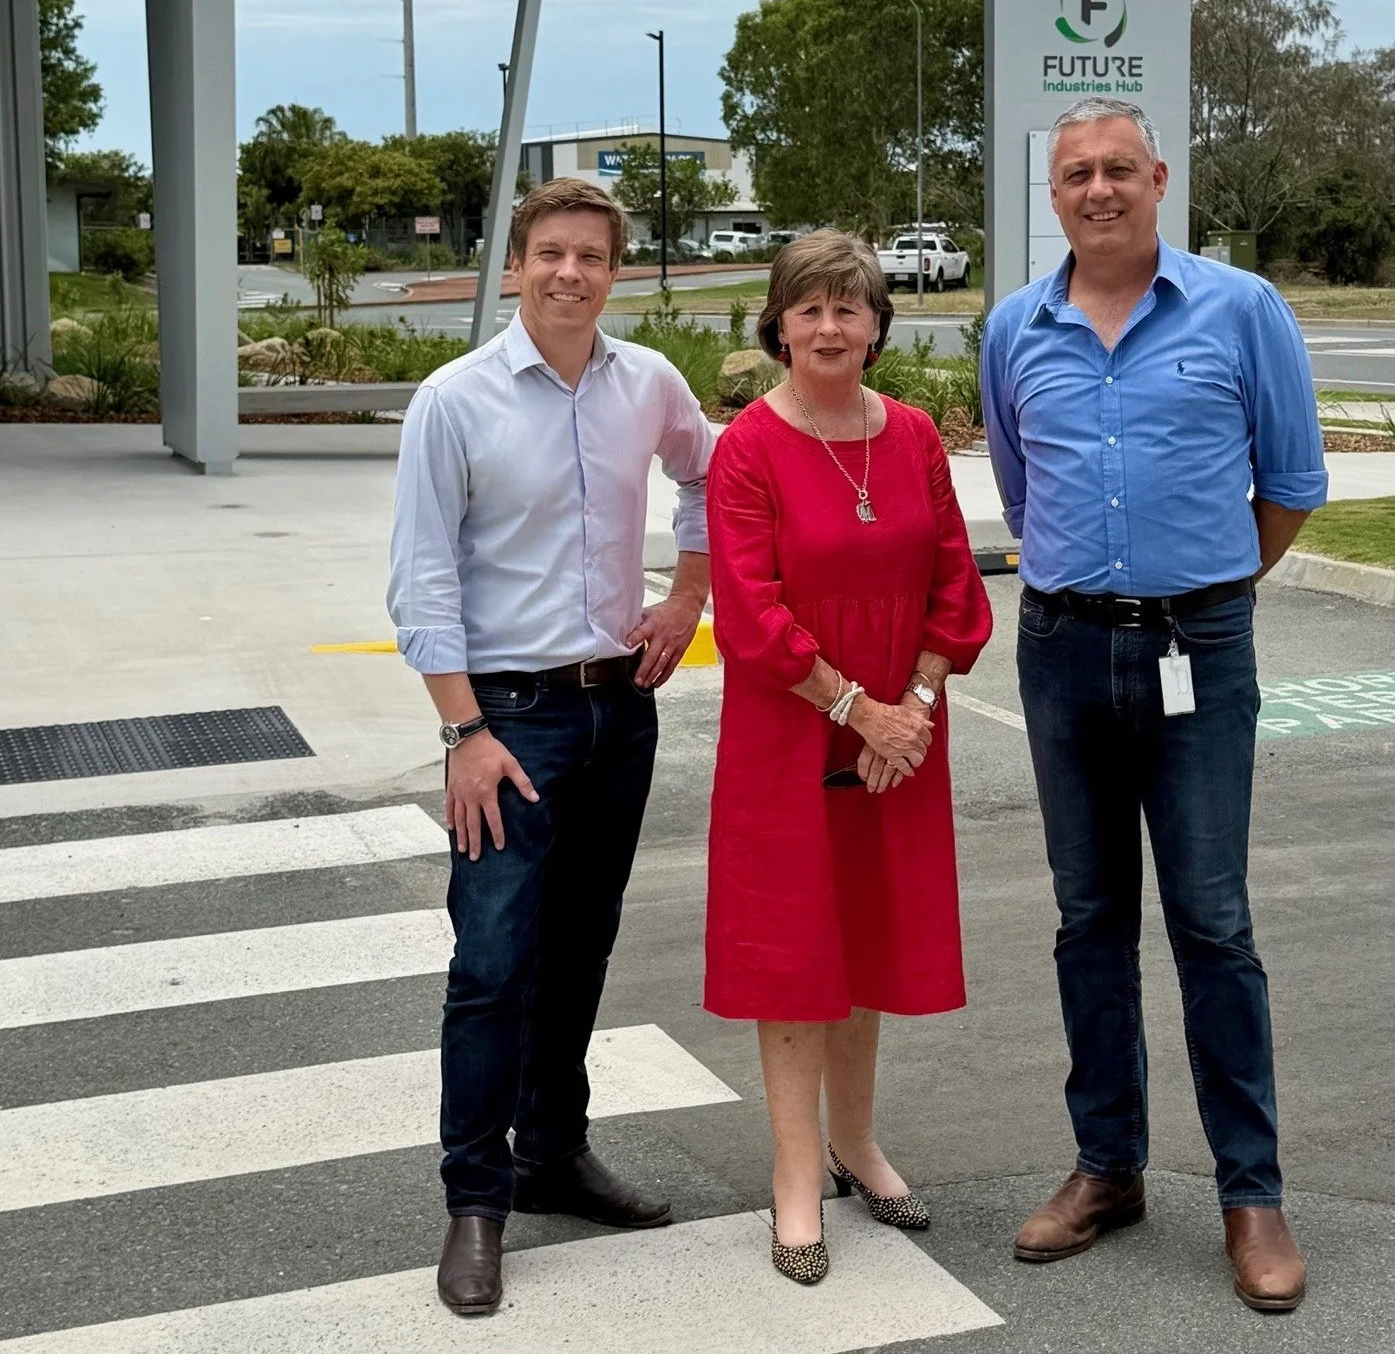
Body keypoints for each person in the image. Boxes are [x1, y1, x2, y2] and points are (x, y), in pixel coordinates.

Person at [980, 96, 1327, 1313]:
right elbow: (1023, 495)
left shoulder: (1242, 308)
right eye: (1077, 173)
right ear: (1055, 194)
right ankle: (1107, 1167)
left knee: (1213, 924)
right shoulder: (1015, 328)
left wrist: (1205, 591)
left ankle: (1251, 1193)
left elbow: (1290, 483)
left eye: (1119, 168)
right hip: (1062, 647)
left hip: (1199, 646)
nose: (1099, 189)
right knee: (1088, 920)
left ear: (1159, 179)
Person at [387, 179, 715, 1316]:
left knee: (580, 949)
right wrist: (464, 731)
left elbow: (709, 475)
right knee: (491, 966)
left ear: (614, 271)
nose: (569, 273)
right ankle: (476, 1201)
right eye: (549, 253)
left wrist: (689, 595)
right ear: (518, 263)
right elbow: (421, 578)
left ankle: (553, 1155)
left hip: (619, 710)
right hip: (508, 722)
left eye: (591, 256)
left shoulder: (648, 384)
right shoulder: (455, 400)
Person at [704, 230, 993, 1284]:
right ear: (778, 326)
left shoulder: (911, 435)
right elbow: (749, 611)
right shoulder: (747, 448)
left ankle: (856, 1141)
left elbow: (956, 584)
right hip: (790, 734)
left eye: (849, 307)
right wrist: (856, 709)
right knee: (794, 952)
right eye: (809, 308)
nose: (829, 327)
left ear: (877, 324)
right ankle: (794, 1172)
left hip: (898, 739)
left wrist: (909, 708)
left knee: (867, 935)